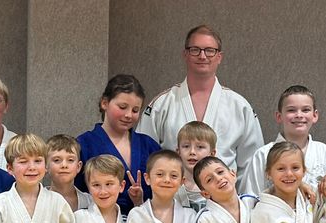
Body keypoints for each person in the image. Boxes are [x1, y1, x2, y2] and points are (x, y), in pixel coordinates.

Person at [139, 25, 263, 185]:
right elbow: (145, 156)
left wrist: (243, 203)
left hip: (223, 202)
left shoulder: (239, 106)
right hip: (172, 202)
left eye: (209, 50)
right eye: (195, 50)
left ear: (219, 56)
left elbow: (251, 165)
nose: (202, 56)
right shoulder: (162, 104)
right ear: (185, 54)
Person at [76, 74, 160, 214]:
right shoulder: (84, 144)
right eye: (122, 107)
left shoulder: (149, 145)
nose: (128, 115)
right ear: (105, 103)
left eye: (135, 110)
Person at [240, 85, 326, 195]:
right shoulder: (262, 155)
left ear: (315, 115)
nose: (299, 115)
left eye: (305, 110)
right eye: (291, 110)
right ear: (279, 116)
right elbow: (250, 198)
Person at [176, 121, 216, 212]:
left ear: (212, 153)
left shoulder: (217, 184)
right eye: (186, 146)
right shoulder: (172, 184)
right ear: (178, 152)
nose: (192, 152)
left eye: (200, 147)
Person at [47, 134, 93, 212]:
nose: (64, 165)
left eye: (70, 160)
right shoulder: (39, 200)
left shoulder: (90, 202)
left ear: (78, 166)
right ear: (46, 166)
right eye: (57, 160)